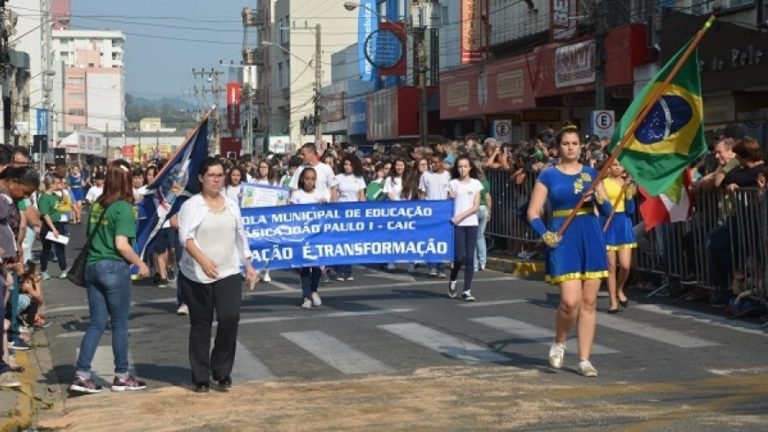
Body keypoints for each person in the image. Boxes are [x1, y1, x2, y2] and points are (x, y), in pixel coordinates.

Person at [526, 125, 611, 378]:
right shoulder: (548, 175)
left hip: (590, 234)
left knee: (589, 301)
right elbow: (533, 212)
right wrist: (544, 233)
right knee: (570, 301)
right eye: (566, 143)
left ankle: (584, 359)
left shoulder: (592, 173)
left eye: (575, 143)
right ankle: (560, 341)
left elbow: (608, 212)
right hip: (563, 235)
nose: (571, 147)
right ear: (558, 147)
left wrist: (597, 195)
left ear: (580, 147)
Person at [69, 160, 151, 394]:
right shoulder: (123, 208)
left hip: (93, 267)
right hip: (114, 267)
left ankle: (82, 374)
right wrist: (140, 264)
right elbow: (121, 245)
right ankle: (122, 376)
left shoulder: (97, 205)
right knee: (119, 324)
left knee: (96, 322)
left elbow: (90, 236)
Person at [177, 157, 258, 392]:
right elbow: (186, 238)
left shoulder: (232, 204)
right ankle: (201, 375)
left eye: (220, 175)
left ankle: (221, 369)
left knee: (230, 317)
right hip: (195, 274)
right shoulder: (192, 205)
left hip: (228, 270)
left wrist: (249, 265)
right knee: (201, 324)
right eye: (211, 175)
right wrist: (202, 260)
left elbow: (240, 237)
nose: (216, 179)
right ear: (201, 178)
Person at [290, 167, 330, 309]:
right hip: (302, 236)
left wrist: (324, 204)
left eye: (312, 179)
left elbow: (326, 215)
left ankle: (314, 290)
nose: (309, 181)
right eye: (307, 178)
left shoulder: (319, 195)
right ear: (302, 179)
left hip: (316, 235)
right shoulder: (296, 195)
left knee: (317, 265)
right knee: (305, 267)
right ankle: (306, 295)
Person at [601, 159, 637, 313]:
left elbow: (630, 209)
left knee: (625, 265)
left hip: (623, 224)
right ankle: (613, 302)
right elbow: (602, 205)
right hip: (608, 223)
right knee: (611, 266)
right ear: (609, 167)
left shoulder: (627, 183)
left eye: (620, 165)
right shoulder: (602, 183)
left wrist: (628, 191)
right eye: (614, 165)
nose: (617, 168)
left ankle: (619, 288)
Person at [447, 156, 483, 302]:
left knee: (470, 257)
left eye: (465, 166)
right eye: (460, 166)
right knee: (459, 257)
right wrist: (451, 198)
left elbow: (475, 206)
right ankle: (453, 277)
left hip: (470, 222)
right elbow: (446, 205)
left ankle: (467, 290)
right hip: (456, 225)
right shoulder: (453, 183)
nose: (463, 169)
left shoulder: (476, 184)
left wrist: (461, 216)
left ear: (470, 168)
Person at [332, 155, 366, 281]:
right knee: (341, 242)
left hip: (354, 213)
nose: (347, 167)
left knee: (350, 243)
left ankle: (348, 271)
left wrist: (362, 213)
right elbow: (334, 194)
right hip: (341, 213)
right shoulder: (338, 178)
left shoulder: (359, 178)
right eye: (345, 164)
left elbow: (361, 196)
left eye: (350, 165)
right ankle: (340, 270)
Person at [38, 176, 68, 280]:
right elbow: (45, 215)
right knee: (46, 249)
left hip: (58, 223)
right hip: (48, 225)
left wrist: (62, 190)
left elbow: (64, 201)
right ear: (51, 185)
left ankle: (63, 269)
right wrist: (53, 229)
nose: (59, 185)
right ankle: (44, 271)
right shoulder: (43, 198)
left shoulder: (55, 195)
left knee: (60, 248)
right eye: (57, 183)